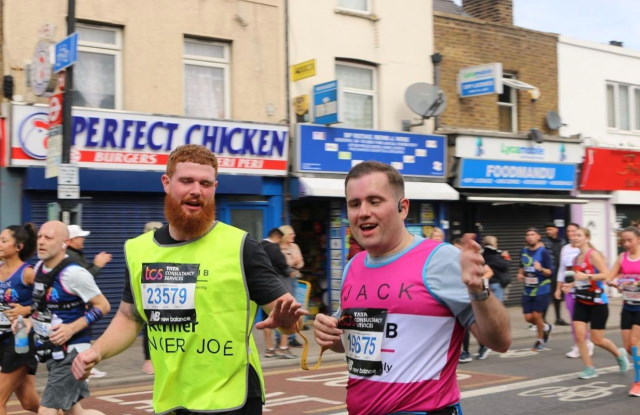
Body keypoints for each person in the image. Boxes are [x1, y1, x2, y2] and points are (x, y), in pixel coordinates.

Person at [71, 144, 306, 415]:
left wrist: (289, 325)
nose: (196, 190)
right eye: (187, 181)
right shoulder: (139, 250)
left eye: (205, 183)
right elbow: (129, 317)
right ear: (167, 183)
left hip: (231, 399)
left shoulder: (241, 246)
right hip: (172, 398)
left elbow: (289, 317)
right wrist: (96, 351)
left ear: (215, 187)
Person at [313, 161, 511, 415]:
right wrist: (330, 334)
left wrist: (478, 291)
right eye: (354, 203)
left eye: (375, 201)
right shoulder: (354, 266)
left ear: (402, 207)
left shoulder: (441, 259)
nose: (363, 212)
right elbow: (353, 344)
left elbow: (501, 341)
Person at [25, 220, 111, 415]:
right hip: (52, 350)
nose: (41, 241)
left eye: (48, 237)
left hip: (72, 353)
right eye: (40, 236)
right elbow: (42, 307)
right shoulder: (39, 268)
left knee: (47, 409)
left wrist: (71, 328)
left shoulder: (75, 274)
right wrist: (28, 321)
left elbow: (103, 306)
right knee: (76, 412)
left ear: (64, 242)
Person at [565, 226, 628, 379]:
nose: (575, 237)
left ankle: (619, 354)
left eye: (579, 235)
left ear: (587, 238)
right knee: (580, 336)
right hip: (581, 301)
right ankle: (589, 368)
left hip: (598, 302)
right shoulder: (575, 259)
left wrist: (587, 277)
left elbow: (606, 274)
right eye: (573, 235)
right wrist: (571, 284)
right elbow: (579, 278)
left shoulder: (593, 255)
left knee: (597, 339)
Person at [0, 223, 40, 414]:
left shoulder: (28, 273)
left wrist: (27, 309)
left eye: (4, 240)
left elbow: (52, 299)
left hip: (20, 342)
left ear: (19, 247)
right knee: (29, 403)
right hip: (2, 341)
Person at [608, 226, 640, 395]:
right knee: (628, 347)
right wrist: (613, 283)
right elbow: (609, 276)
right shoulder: (622, 257)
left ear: (638, 239)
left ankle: (638, 383)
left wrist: (638, 284)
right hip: (627, 306)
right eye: (624, 241)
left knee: (635, 343)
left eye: (630, 240)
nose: (626, 244)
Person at [554, 222, 593, 358]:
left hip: (582, 288)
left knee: (581, 319)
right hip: (568, 288)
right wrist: (558, 288)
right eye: (569, 231)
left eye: (575, 232)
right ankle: (578, 344)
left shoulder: (583, 250)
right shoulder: (565, 249)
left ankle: (585, 342)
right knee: (573, 319)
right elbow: (561, 269)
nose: (572, 235)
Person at [259, 228, 296, 359]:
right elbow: (282, 265)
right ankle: (283, 348)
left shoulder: (258, 246)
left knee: (266, 319)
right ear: (278, 237)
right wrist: (290, 272)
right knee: (285, 315)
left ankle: (269, 349)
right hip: (278, 286)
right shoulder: (274, 248)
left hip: (262, 288)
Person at [516, 227, 554, 351]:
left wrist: (541, 269)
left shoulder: (544, 252)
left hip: (542, 287)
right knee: (528, 317)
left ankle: (540, 340)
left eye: (533, 234)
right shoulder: (523, 251)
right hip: (528, 288)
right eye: (528, 235)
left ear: (538, 237)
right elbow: (522, 266)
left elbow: (550, 272)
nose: (530, 237)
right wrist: (520, 274)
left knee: (537, 315)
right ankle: (546, 327)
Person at [140, 221, 163, 375]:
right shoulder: (142, 249)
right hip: (150, 293)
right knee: (150, 326)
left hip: (164, 292)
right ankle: (149, 359)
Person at [278, 225, 304, 348]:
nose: (293, 236)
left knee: (294, 308)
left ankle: (292, 337)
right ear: (284, 236)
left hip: (293, 279)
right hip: (281, 280)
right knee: (283, 308)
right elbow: (279, 264)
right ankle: (281, 338)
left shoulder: (295, 246)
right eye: (291, 234)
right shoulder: (277, 248)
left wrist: (297, 264)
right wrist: (293, 262)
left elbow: (301, 262)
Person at [541, 224, 569, 326]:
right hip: (549, 273)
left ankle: (558, 318)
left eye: (550, 229)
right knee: (547, 297)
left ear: (556, 230)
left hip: (560, 273)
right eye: (546, 229)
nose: (548, 231)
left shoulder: (562, 242)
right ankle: (543, 319)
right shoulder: (543, 242)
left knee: (558, 297)